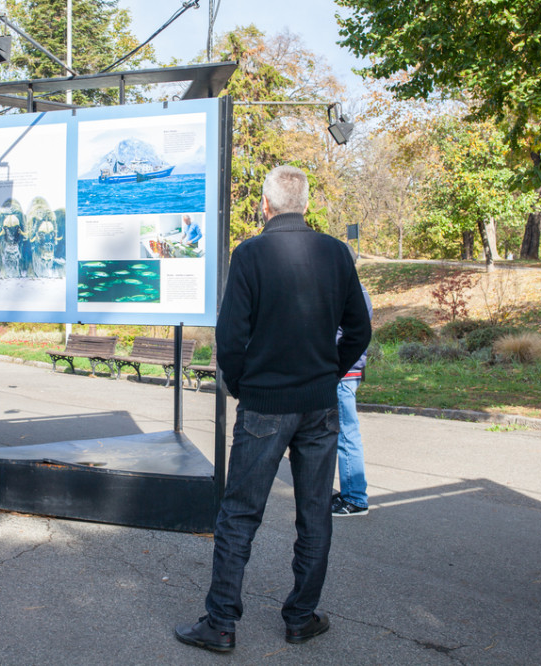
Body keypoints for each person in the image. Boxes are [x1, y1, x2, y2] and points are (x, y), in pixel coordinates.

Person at [174, 165, 371, 653]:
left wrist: (243, 385)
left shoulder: (251, 254)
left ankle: (221, 623)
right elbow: (360, 330)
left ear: (266, 205)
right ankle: (301, 618)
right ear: (304, 204)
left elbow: (230, 337)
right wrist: (329, 374)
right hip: (320, 405)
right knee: (315, 516)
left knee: (240, 514)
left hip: (265, 403)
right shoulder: (335, 253)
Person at [331, 284, 373, 517]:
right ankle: (350, 492)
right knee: (345, 433)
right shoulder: (359, 290)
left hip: (342, 372)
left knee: (347, 435)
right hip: (349, 370)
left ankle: (355, 498)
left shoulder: (343, 290)